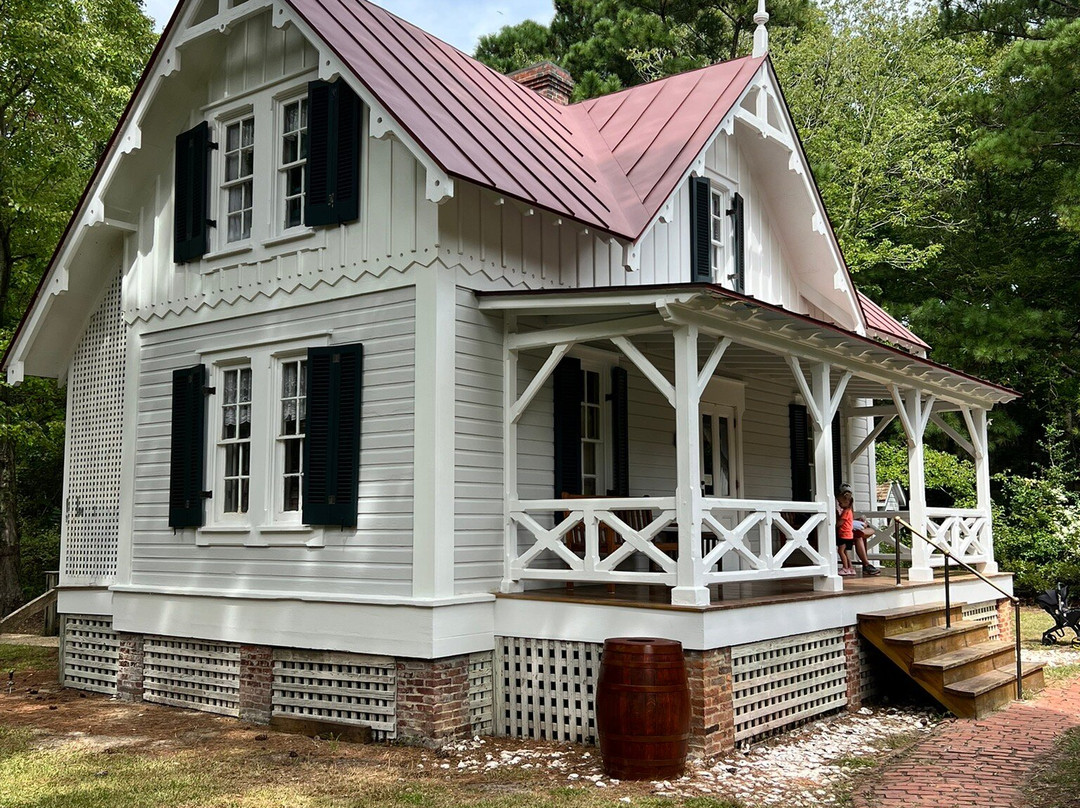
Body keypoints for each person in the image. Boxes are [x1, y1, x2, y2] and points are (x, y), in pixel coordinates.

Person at [836, 483, 881, 577]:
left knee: (862, 533)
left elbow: (847, 519)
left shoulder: (847, 508)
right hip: (839, 532)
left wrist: (858, 521)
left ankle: (853, 567)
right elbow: (838, 521)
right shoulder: (837, 505)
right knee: (858, 537)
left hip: (845, 531)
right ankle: (863, 565)